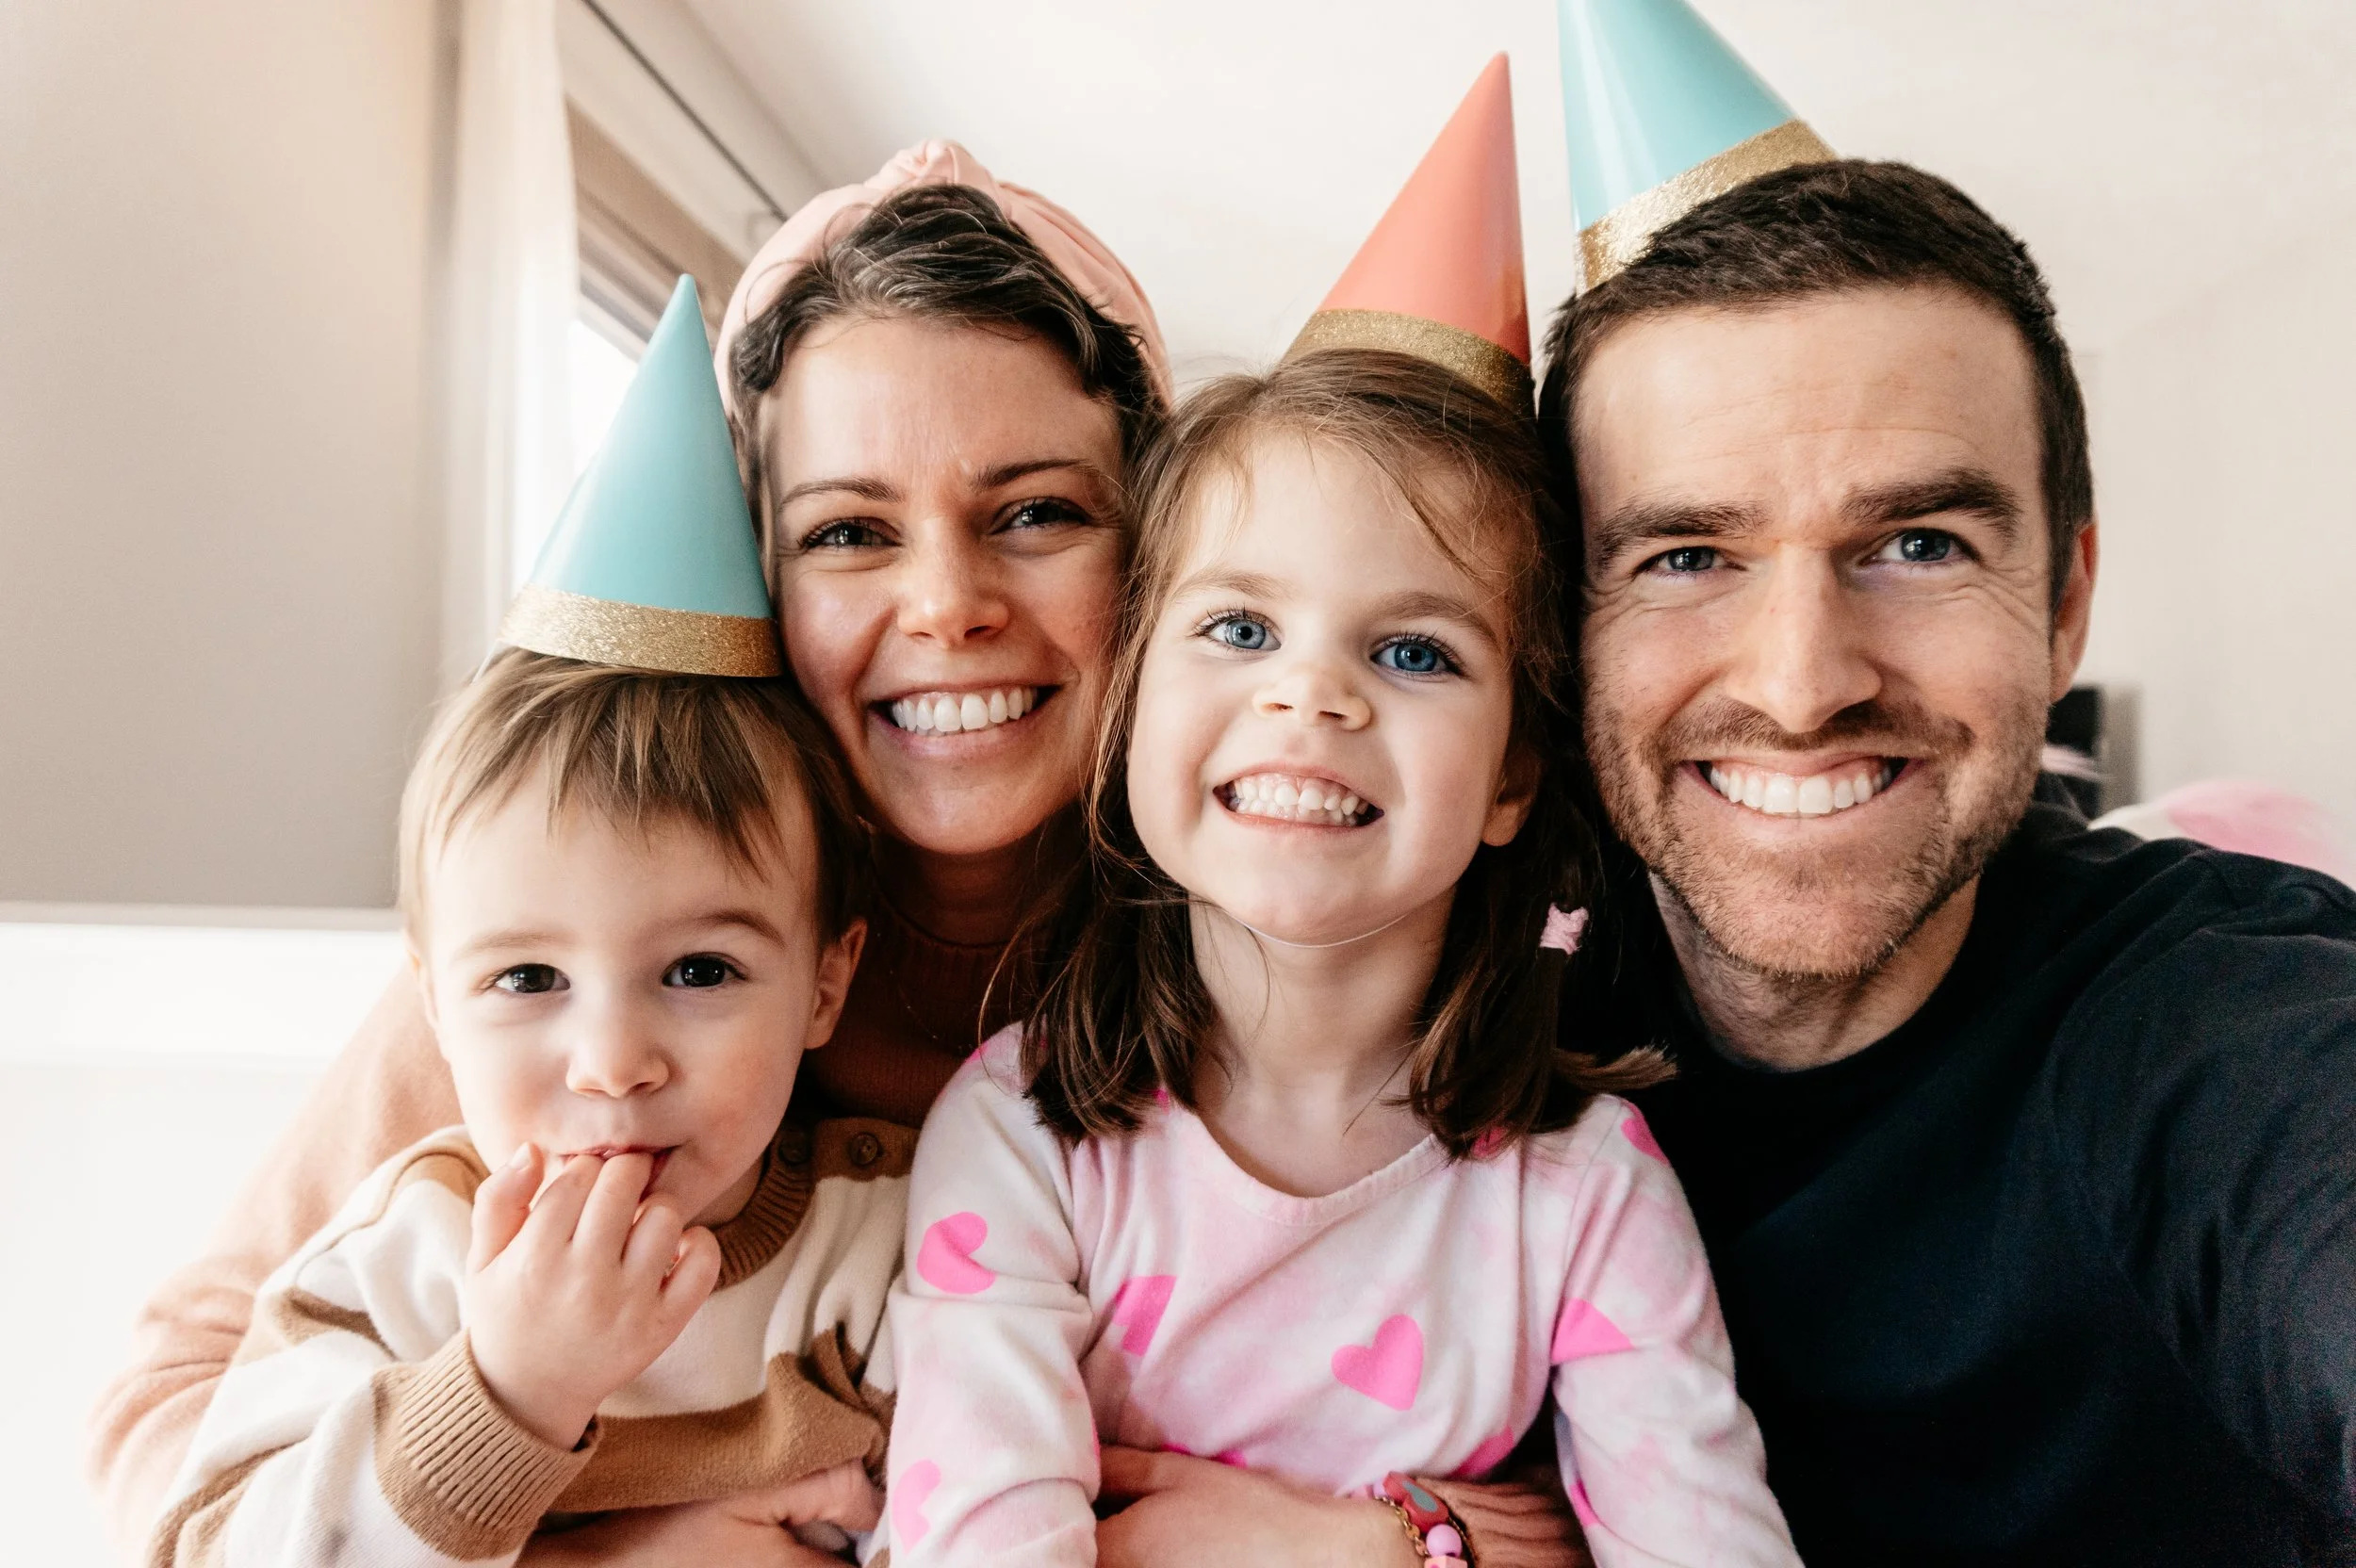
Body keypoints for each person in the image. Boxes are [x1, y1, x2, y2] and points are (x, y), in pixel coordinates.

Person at [92, 143, 1586, 1567]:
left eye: (1038, 514)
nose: (947, 605)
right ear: (763, 578)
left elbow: (1622, 1421)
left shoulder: (1305, 921)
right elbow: (174, 1420)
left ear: (1157, 559)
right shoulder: (582, 968)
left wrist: (1375, 1542)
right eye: (849, 535)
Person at [887, 63, 1796, 1568]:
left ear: (1512, 778)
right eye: (1240, 629)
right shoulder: (1022, 1131)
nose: (1311, 696)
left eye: (1415, 651)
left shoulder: (1583, 1187)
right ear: (1134, 702)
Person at [1543, 3, 2356, 1560]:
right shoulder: (1472, 1029)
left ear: (2065, 603)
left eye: (1918, 544)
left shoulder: (2215, 1031)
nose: (1801, 685)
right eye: (1686, 555)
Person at [151, 278, 894, 1566]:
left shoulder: (881, 1251)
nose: (613, 1062)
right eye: (529, 979)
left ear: (827, 983)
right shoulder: (404, 1262)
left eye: (699, 970)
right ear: (433, 1001)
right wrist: (505, 1394)